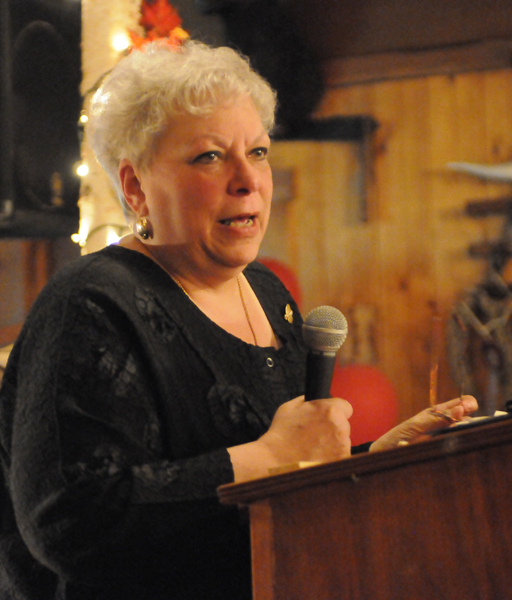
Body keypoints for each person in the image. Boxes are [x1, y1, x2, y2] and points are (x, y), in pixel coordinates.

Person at [0, 40, 477, 600]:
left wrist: (371, 463)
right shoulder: (91, 304)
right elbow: (67, 520)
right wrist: (271, 456)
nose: (248, 179)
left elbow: (280, 477)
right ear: (135, 187)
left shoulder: (270, 294)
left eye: (258, 152)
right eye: (210, 156)